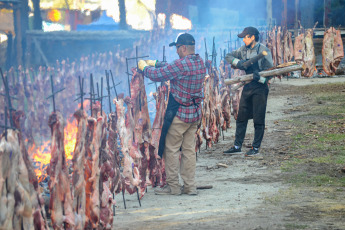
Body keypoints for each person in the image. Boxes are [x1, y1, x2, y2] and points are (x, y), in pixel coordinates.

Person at [138, 33, 206, 195]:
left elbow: (157, 75)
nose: (176, 52)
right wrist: (156, 63)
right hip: (194, 114)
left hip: (180, 115)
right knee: (189, 150)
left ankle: (174, 187)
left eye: (177, 49)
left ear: (183, 48)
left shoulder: (182, 65)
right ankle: (190, 187)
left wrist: (145, 68)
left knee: (172, 149)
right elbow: (173, 68)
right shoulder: (199, 63)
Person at [224, 26, 273, 157]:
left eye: (245, 37)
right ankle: (237, 146)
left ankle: (255, 147)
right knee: (241, 117)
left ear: (252, 37)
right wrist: (238, 63)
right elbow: (228, 56)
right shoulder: (243, 50)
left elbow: (271, 72)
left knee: (258, 118)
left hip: (260, 87)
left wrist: (261, 78)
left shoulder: (263, 50)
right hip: (248, 86)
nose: (243, 40)